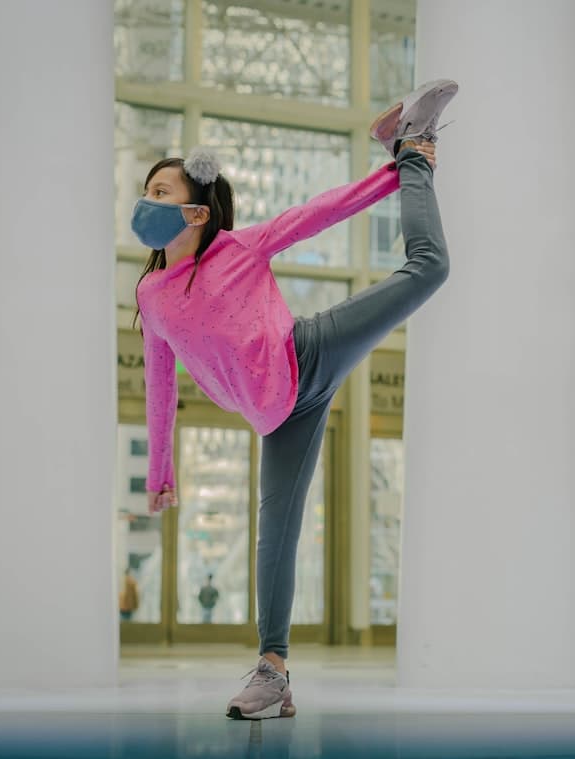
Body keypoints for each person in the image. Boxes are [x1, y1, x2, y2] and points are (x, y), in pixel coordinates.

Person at [131, 78, 457, 720]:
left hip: (307, 353)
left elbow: (318, 212)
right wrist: (160, 471)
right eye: (146, 192)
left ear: (195, 212)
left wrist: (395, 173)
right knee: (274, 535)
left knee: (430, 267)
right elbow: (160, 383)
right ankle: (272, 675)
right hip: (279, 414)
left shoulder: (238, 247)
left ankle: (412, 147)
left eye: (160, 191)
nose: (147, 201)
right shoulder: (151, 296)